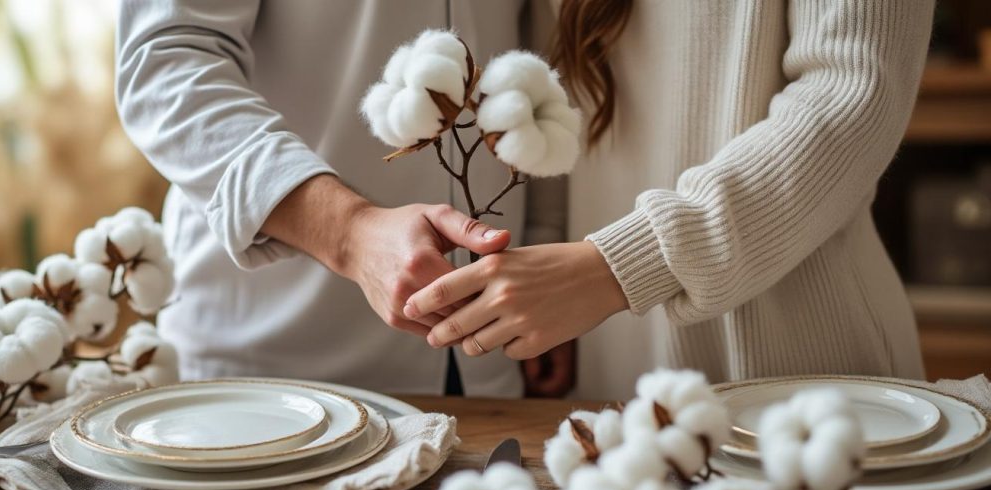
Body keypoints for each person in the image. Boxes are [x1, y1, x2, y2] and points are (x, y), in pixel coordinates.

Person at [405, 0, 933, 399]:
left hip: (807, 373)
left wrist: (615, 268)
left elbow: (854, 94)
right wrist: (550, 249)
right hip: (614, 369)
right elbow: (550, 88)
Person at [114, 1, 571, 397]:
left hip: (488, 361)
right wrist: (350, 233)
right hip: (266, 365)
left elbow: (533, 44)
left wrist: (544, 247)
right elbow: (164, 66)